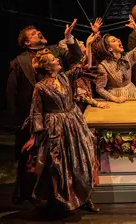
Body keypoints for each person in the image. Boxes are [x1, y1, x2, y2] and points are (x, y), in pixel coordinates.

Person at [7, 20, 83, 204]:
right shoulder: (19, 62)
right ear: (26, 43)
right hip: (33, 115)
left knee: (59, 158)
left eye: (38, 30)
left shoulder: (55, 51)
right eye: (33, 33)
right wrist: (17, 120)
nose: (39, 32)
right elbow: (12, 93)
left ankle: (62, 193)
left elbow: (76, 57)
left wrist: (69, 39)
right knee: (30, 157)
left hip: (58, 116)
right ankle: (26, 194)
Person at [17, 49, 100, 215]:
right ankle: (60, 200)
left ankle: (86, 197)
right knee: (59, 165)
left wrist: (82, 43)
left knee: (82, 158)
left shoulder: (65, 77)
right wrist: (35, 136)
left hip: (74, 122)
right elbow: (37, 112)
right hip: (56, 128)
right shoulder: (40, 87)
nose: (57, 60)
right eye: (54, 59)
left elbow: (82, 67)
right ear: (48, 67)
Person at [93, 15, 136, 102]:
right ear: (109, 48)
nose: (119, 40)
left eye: (117, 39)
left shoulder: (127, 58)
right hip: (115, 95)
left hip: (131, 92)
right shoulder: (104, 66)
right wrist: (115, 98)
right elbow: (99, 88)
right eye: (114, 41)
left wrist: (135, 28)